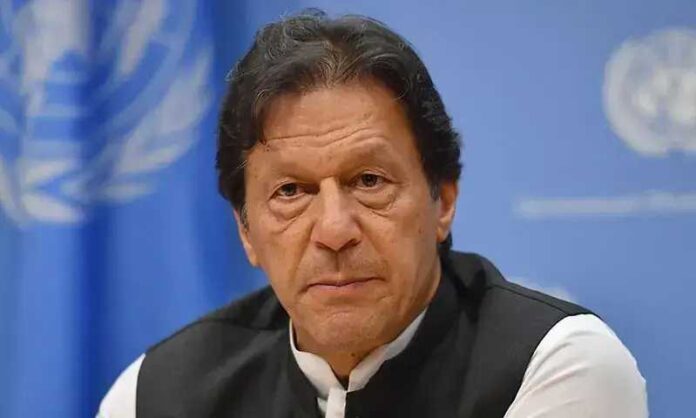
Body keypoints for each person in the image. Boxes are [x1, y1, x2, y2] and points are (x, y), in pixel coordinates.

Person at [98, 10, 647, 418]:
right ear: (246, 231)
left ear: (443, 200)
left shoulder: (550, 364)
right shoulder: (155, 396)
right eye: (291, 191)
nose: (335, 230)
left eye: (368, 181)